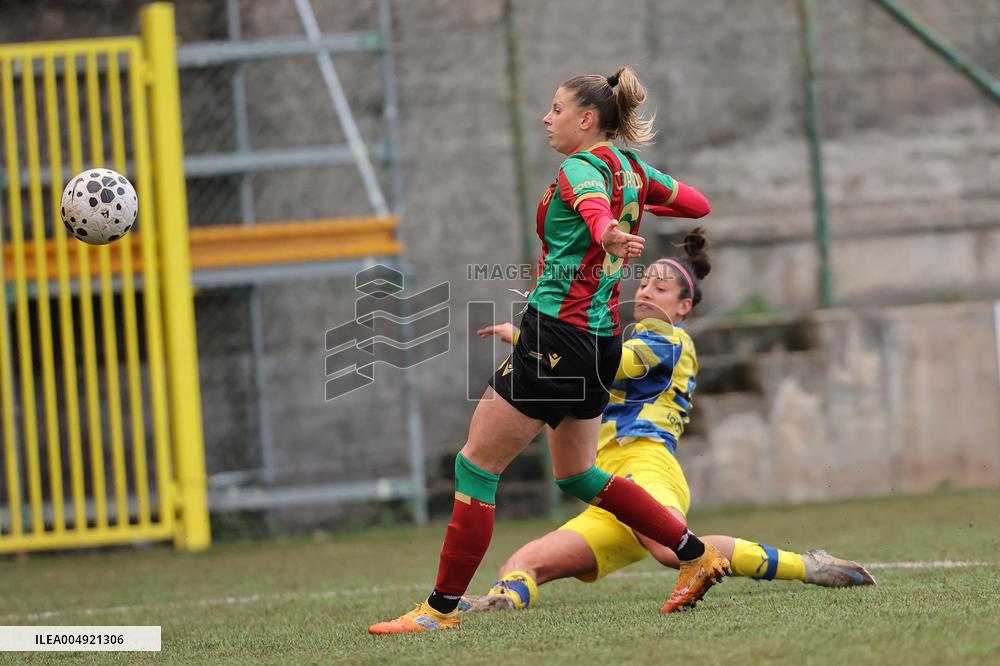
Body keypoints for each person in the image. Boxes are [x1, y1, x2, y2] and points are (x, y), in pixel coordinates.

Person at [369, 66, 725, 635]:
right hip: (602, 342)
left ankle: (438, 612)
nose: (546, 118)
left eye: (556, 109)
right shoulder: (634, 169)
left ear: (587, 119)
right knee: (579, 475)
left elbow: (591, 206)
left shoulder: (580, 167)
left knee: (475, 466)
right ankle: (694, 553)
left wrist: (607, 230)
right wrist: (636, 205)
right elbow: (697, 203)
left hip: (556, 336)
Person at [461, 231, 876, 614]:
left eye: (660, 288)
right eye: (644, 284)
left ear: (683, 307)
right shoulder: (639, 337)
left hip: (645, 465)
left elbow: (610, 368)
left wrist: (532, 340)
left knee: (671, 550)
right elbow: (588, 366)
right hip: (606, 490)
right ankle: (502, 601)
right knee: (523, 563)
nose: (645, 291)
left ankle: (809, 566)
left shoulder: (668, 339)